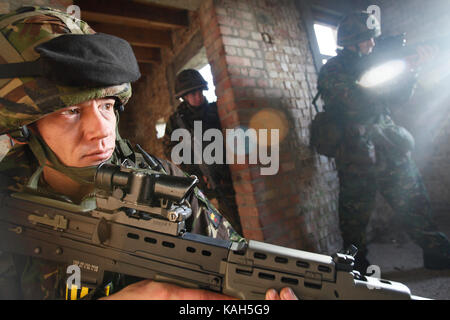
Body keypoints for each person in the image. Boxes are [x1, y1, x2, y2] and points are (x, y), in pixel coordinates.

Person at [0, 6, 297, 300]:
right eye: (72, 111)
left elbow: (233, 259)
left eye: (106, 106)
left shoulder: (162, 180)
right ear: (24, 126)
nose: (101, 130)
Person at [316, 11, 450, 273]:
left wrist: (411, 69)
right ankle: (356, 265)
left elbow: (398, 98)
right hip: (356, 155)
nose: (372, 44)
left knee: (415, 202)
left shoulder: (374, 63)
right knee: (354, 219)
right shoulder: (333, 69)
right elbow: (354, 100)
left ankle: (438, 252)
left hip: (389, 147)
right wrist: (382, 70)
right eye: (367, 40)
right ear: (352, 41)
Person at [163, 69, 242, 235]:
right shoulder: (176, 121)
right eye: (192, 94)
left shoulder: (216, 110)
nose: (197, 97)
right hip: (199, 177)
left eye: (199, 91)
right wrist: (194, 169)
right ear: (184, 97)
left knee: (234, 217)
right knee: (207, 221)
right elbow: (170, 149)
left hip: (225, 173)